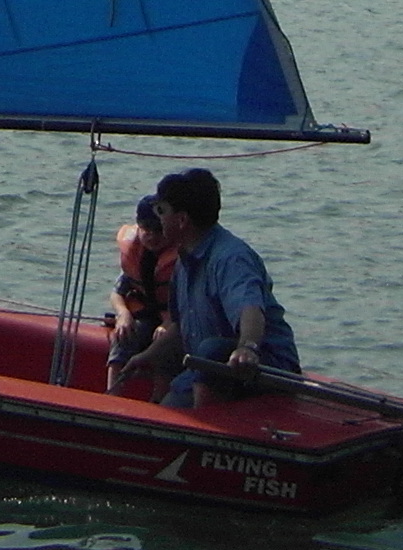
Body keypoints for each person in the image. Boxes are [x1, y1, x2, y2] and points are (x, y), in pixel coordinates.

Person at [151, 166, 298, 409]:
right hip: (207, 367)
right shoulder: (184, 260)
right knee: (172, 398)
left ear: (182, 219)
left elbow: (250, 309)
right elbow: (178, 325)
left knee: (211, 350)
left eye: (161, 211)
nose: (158, 218)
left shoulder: (230, 258)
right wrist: (146, 356)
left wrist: (247, 347)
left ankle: (205, 425)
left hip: (264, 365)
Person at [102, 189, 181, 393]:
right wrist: (123, 314)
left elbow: (189, 303)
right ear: (138, 227)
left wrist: (168, 324)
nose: (152, 236)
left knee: (165, 345)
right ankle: (112, 394)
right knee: (124, 334)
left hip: (174, 322)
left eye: (158, 230)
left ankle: (159, 399)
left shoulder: (182, 258)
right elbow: (118, 292)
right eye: (147, 229)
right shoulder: (134, 253)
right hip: (144, 315)